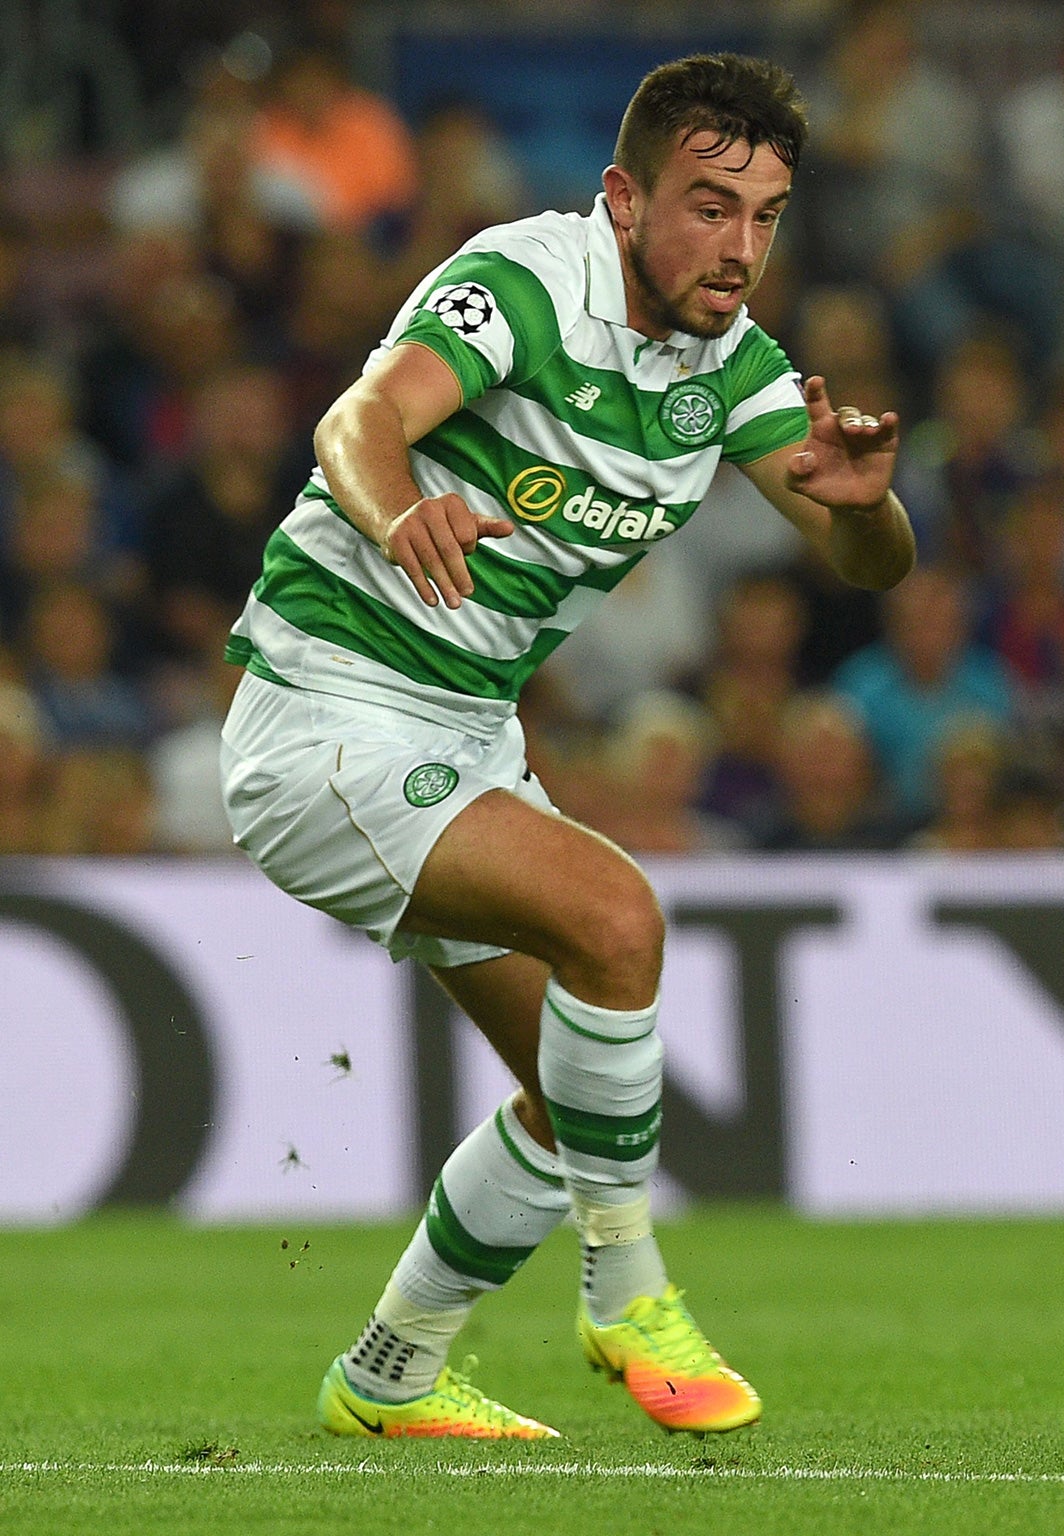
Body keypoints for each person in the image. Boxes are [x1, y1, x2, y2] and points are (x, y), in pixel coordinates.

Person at [216, 55, 914, 1441]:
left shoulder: (735, 367)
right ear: (622, 197)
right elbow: (359, 422)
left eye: (766, 215)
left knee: (570, 1100)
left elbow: (870, 566)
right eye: (709, 206)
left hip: (469, 730)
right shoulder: (529, 284)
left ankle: (391, 1371)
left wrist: (865, 509)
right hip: (328, 709)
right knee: (618, 919)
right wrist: (396, 505)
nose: (739, 246)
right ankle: (625, 1288)